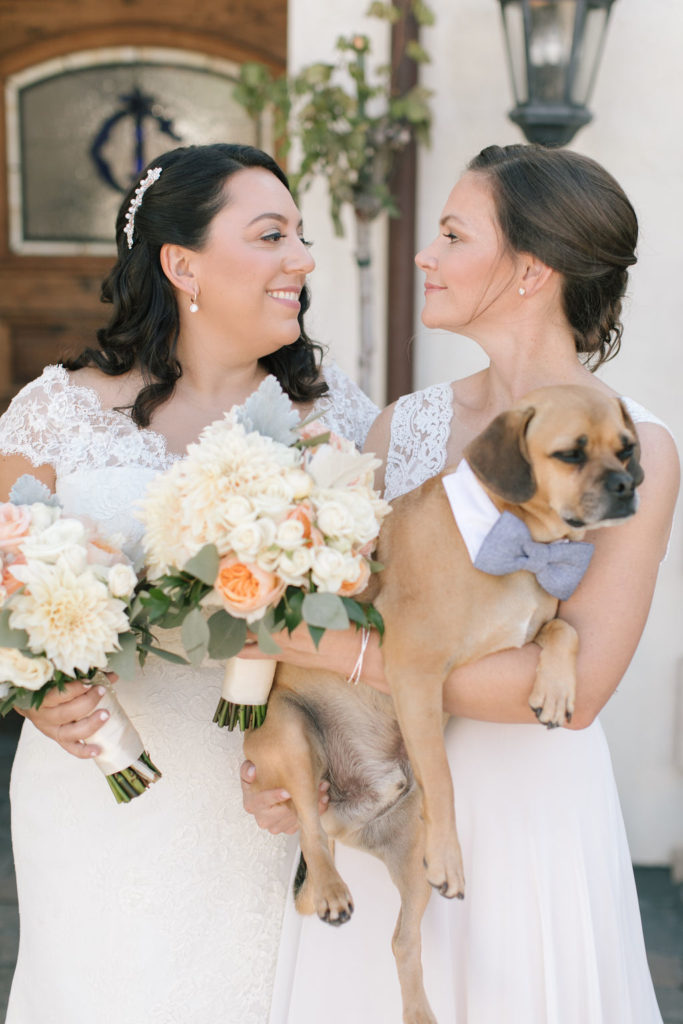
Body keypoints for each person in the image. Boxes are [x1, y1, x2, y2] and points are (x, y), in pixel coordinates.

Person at [241, 144, 679, 1023]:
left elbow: (571, 693)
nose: (424, 253)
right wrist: (286, 766)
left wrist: (359, 656)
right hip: (379, 801)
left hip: (525, 815)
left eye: (450, 233)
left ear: (530, 269)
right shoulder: (404, 426)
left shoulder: (637, 449)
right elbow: (322, 619)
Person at [0, 143, 378, 1024]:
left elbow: (378, 619)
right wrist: (31, 693)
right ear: (182, 264)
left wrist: (328, 761)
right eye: (271, 234)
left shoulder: (337, 425)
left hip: (269, 799)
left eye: (302, 235)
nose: (304, 259)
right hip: (99, 797)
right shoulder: (57, 414)